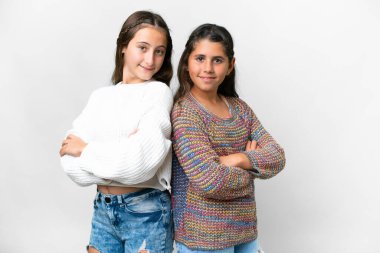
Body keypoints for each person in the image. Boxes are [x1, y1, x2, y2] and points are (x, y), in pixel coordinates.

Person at [59, 10, 174, 253]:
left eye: (159, 51)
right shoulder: (100, 97)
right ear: (123, 46)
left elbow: (139, 164)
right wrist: (118, 156)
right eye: (142, 47)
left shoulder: (158, 94)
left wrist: (86, 150)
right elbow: (69, 161)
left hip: (146, 212)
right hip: (103, 210)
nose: (151, 60)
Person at [171, 23, 286, 253]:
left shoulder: (240, 109)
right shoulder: (185, 113)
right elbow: (210, 180)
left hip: (245, 232)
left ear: (230, 65)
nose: (208, 68)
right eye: (200, 58)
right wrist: (253, 166)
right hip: (203, 236)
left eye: (217, 60)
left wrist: (239, 159)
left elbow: (277, 156)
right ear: (187, 63)